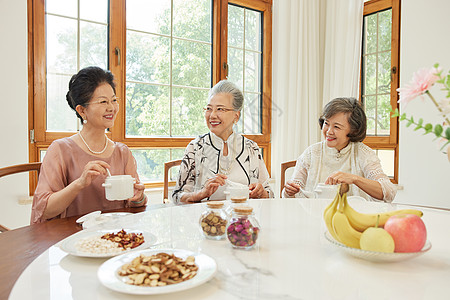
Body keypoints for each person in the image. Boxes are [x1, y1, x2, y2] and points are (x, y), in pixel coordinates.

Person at [31, 66, 147, 224]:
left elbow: (134, 205)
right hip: (71, 240)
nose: (111, 107)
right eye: (103, 102)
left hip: (115, 238)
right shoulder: (60, 150)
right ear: (82, 111)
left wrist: (139, 198)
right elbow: (44, 210)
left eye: (114, 100)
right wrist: (79, 183)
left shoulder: (122, 152)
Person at [172, 80, 273, 204]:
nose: (212, 115)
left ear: (236, 116)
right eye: (209, 108)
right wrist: (202, 193)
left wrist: (261, 192)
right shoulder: (195, 147)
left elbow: (269, 194)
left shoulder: (251, 148)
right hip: (205, 221)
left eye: (220, 109)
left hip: (241, 220)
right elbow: (177, 197)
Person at [283, 97, 396, 202]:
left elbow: (389, 192)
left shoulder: (363, 154)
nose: (329, 131)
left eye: (336, 127)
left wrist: (354, 179)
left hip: (353, 219)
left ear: (353, 131)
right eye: (326, 123)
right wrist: (289, 191)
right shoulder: (312, 153)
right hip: (315, 217)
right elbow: (292, 196)